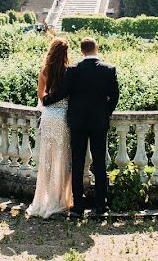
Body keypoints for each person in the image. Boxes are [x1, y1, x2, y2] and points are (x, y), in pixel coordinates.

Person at [43, 36, 119, 216]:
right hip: (99, 123)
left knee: (77, 162)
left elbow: (62, 93)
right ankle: (101, 206)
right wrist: (105, 113)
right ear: (97, 48)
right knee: (100, 163)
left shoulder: (73, 70)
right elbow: (114, 97)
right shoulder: (109, 70)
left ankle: (79, 206)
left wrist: (46, 100)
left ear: (81, 51)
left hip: (77, 122)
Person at [26, 38, 73, 218]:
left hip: (48, 117)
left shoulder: (45, 70)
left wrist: (50, 101)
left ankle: (44, 200)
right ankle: (61, 200)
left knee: (47, 159)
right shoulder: (69, 71)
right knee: (62, 158)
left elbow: (41, 95)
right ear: (65, 53)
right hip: (62, 117)